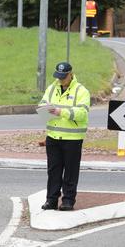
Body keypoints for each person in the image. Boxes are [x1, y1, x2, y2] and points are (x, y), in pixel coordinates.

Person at [38, 62, 90, 211]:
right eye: (58, 77)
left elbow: (82, 114)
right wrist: (44, 109)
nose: (60, 80)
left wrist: (62, 112)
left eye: (63, 77)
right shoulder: (51, 88)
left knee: (70, 172)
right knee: (53, 171)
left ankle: (68, 201)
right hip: (53, 137)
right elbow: (42, 104)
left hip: (72, 139)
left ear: (70, 75)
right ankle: (51, 200)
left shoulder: (81, 91)